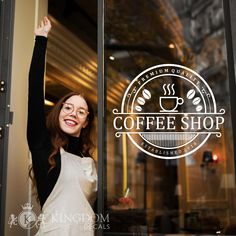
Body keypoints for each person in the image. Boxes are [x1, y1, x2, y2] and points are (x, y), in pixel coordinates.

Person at [27, 17, 97, 235]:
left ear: (85, 122)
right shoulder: (42, 145)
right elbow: (35, 92)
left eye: (81, 111)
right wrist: (41, 40)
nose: (73, 114)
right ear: (58, 113)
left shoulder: (89, 159)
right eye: (68, 108)